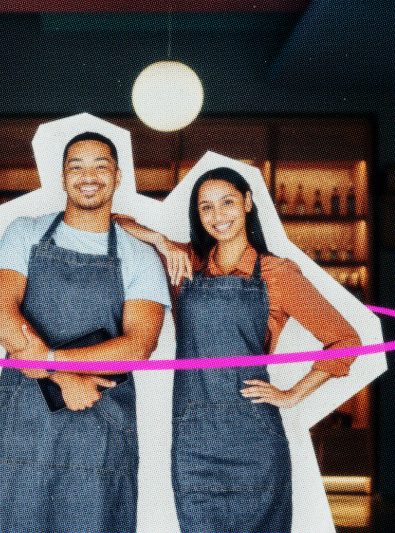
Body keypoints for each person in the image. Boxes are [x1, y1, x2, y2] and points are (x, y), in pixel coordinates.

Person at [114, 166, 361, 533]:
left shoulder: (277, 273)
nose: (217, 216)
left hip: (255, 442)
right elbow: (117, 221)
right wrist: (162, 242)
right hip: (192, 442)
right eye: (205, 207)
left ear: (247, 202)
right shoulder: (187, 264)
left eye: (227, 202)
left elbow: (346, 340)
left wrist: (293, 394)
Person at [0, 131, 171, 533]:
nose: (89, 176)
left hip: (102, 420)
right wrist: (62, 377)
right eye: (77, 166)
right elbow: (1, 316)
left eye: (101, 166)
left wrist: (48, 360)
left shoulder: (141, 256)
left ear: (118, 176)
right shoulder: (24, 232)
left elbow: (139, 346)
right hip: (27, 417)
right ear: (62, 176)